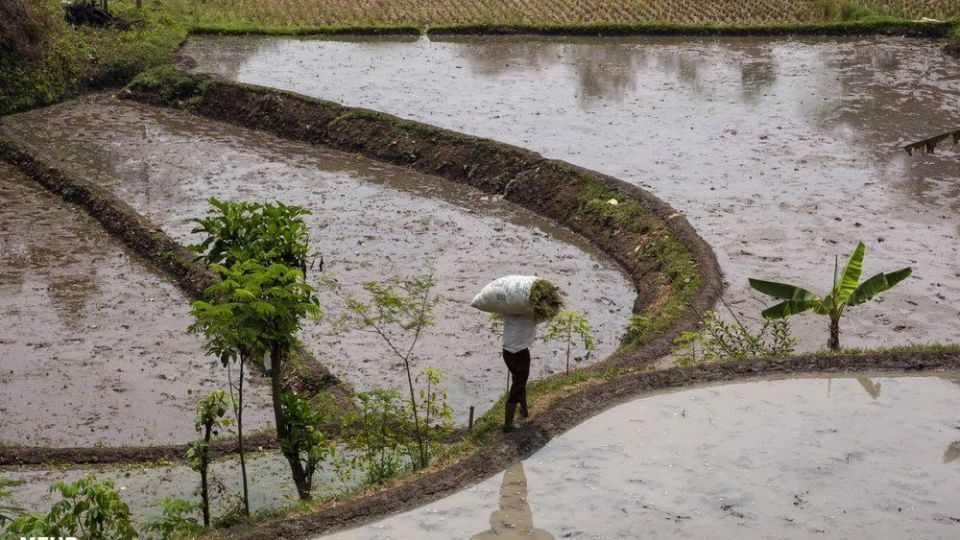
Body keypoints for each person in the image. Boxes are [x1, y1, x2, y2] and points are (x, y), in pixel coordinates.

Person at [501, 313, 537, 433]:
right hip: (520, 353)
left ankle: (524, 411)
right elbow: (544, 316)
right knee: (519, 382)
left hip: (506, 352)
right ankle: (508, 423)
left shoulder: (508, 312)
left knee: (519, 380)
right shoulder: (529, 316)